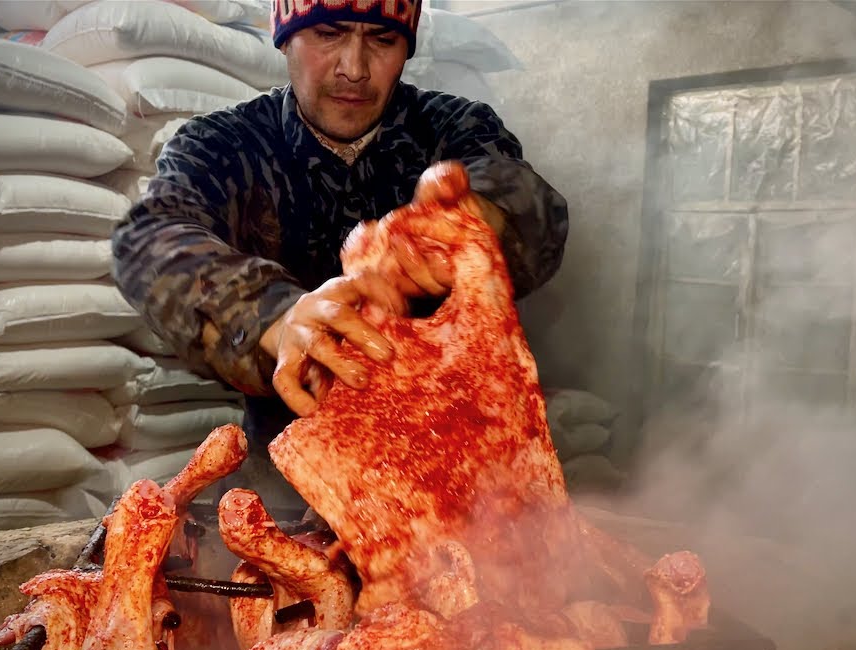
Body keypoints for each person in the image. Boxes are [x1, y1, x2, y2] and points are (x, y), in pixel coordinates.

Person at [111, 0, 568, 510]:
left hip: (460, 482)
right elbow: (149, 234)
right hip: (286, 484)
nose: (354, 67)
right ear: (285, 38)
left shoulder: (450, 128)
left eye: (382, 40)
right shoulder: (225, 143)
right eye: (328, 34)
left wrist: (473, 222)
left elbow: (523, 195)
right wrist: (274, 316)